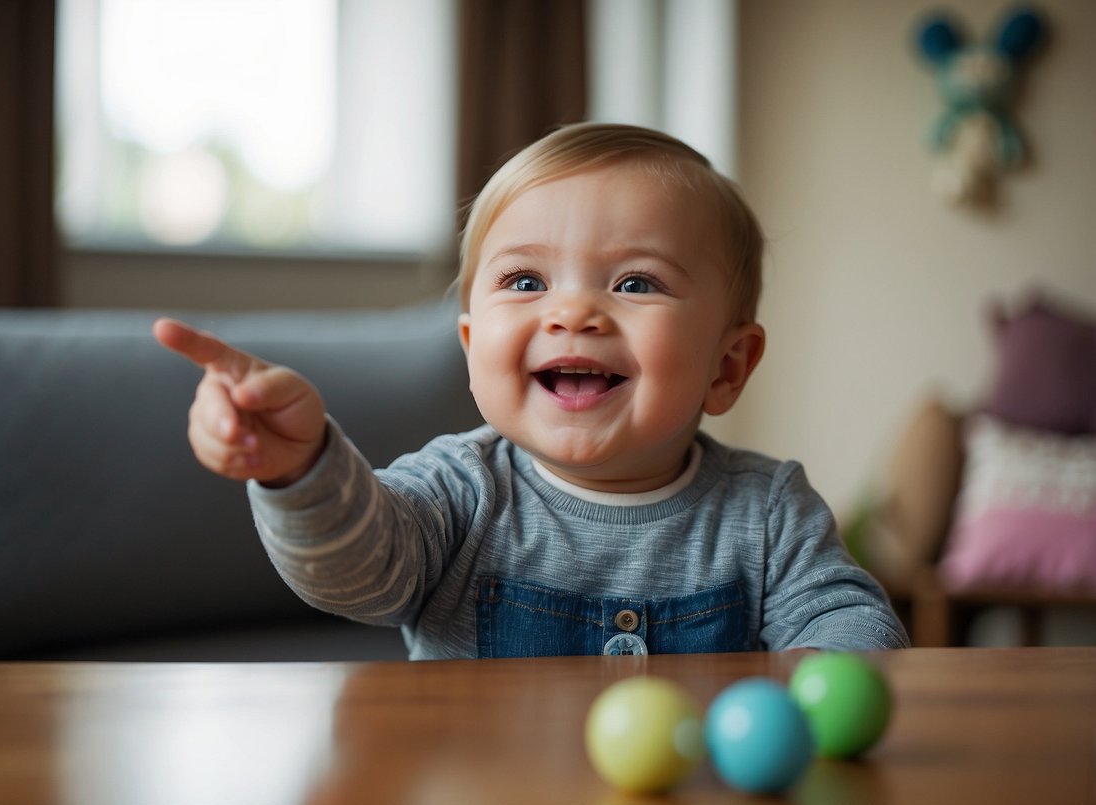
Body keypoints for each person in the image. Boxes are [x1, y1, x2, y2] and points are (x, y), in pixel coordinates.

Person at [154, 123, 909, 659]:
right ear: (472, 345)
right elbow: (358, 576)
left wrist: (828, 669)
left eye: (634, 282)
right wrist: (302, 468)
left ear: (726, 368)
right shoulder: (456, 491)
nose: (572, 311)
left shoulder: (767, 512)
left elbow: (847, 616)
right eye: (525, 280)